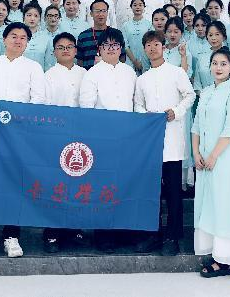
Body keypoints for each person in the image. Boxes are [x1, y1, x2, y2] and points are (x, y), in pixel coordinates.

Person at [0, 22, 46, 259]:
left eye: (23, 37)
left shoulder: (34, 67)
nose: (18, 40)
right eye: (13, 36)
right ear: (4, 39)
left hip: (20, 136)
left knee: (17, 183)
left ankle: (12, 236)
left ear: (27, 43)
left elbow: (38, 100)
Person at [192, 48, 230, 280]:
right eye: (215, 63)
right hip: (204, 160)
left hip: (224, 158)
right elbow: (196, 126)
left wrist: (214, 156)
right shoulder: (206, 92)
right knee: (210, 205)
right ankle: (219, 258)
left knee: (228, 206)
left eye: (223, 64)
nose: (218, 67)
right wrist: (196, 153)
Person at [134, 31, 196, 256]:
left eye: (156, 44)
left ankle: (173, 236)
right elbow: (138, 105)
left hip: (172, 141)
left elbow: (190, 95)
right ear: (145, 49)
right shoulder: (142, 79)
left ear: (163, 47)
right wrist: (146, 116)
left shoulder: (176, 72)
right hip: (151, 143)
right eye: (148, 45)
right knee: (152, 192)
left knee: (173, 193)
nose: (152, 48)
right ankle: (153, 234)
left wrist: (176, 111)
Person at [79, 28, 137, 251]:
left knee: (124, 185)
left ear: (121, 49)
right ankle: (103, 234)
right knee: (103, 187)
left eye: (115, 45)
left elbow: (135, 104)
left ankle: (123, 231)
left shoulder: (129, 73)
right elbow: (86, 107)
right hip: (102, 138)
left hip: (127, 139)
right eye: (106, 45)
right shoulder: (92, 73)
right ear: (100, 49)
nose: (111, 49)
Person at [39, 33, 86, 253]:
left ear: (76, 50)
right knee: (55, 185)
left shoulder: (85, 74)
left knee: (77, 183)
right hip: (56, 135)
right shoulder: (48, 75)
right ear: (54, 52)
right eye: (60, 47)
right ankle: (52, 231)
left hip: (80, 135)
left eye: (69, 47)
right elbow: (44, 107)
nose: (65, 50)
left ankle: (75, 228)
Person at [77, 0, 121, 69]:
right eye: (97, 11)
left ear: (107, 13)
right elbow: (80, 61)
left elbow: (122, 58)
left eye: (104, 11)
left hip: (112, 74)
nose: (101, 14)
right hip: (89, 74)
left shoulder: (116, 34)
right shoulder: (83, 36)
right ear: (91, 14)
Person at [192, 21, 230, 92]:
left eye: (217, 34)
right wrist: (204, 95)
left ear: (223, 36)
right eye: (210, 35)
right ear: (207, 37)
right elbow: (197, 83)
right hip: (203, 96)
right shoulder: (202, 57)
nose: (213, 38)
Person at [122, 0, 152, 74]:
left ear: (144, 7)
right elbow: (125, 45)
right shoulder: (125, 25)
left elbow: (151, 44)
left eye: (140, 5)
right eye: (135, 5)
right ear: (131, 7)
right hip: (130, 61)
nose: (137, 7)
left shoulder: (149, 24)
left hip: (145, 60)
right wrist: (134, 61)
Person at [22, 2, 54, 71]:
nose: (32, 18)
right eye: (29, 15)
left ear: (40, 18)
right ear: (24, 17)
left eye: (36, 16)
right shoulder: (18, 37)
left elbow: (48, 62)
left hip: (40, 75)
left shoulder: (46, 38)